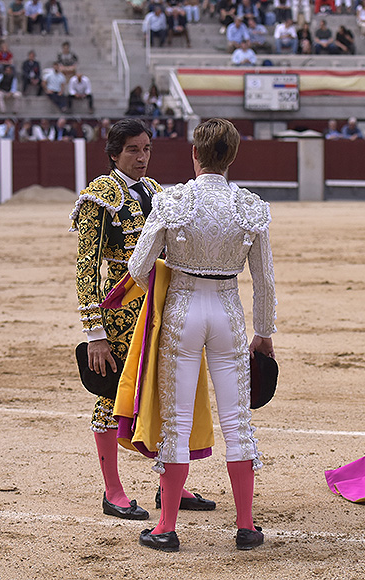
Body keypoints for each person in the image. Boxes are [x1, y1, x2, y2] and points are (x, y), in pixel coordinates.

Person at [128, 118, 276, 552]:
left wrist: (164, 275)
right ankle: (246, 527)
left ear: (194, 153)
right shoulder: (250, 207)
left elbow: (138, 268)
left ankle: (166, 528)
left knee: (175, 423)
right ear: (232, 157)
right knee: (237, 421)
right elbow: (264, 281)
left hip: (183, 313)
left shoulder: (172, 200)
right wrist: (264, 332)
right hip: (229, 313)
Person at [70, 118, 217, 525]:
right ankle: (112, 490)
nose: (142, 157)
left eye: (147, 148)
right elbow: (86, 267)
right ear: (114, 153)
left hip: (161, 308)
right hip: (119, 318)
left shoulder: (156, 192)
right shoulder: (100, 197)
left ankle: (170, 484)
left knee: (171, 389)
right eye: (133, 150)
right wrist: (95, 333)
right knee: (108, 398)